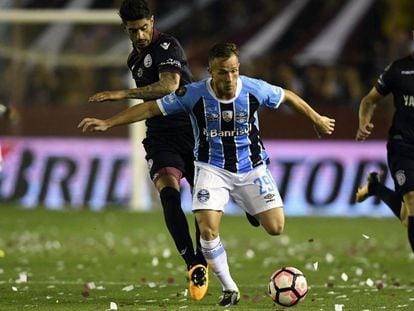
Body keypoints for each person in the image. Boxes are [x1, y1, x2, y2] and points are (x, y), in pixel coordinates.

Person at [79, 42, 335, 306]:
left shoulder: (254, 89)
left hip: (252, 168)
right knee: (207, 230)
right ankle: (229, 288)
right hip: (211, 169)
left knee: (276, 227)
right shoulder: (193, 94)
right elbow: (150, 108)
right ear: (211, 71)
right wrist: (108, 122)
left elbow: (288, 96)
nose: (230, 78)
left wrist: (316, 119)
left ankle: (247, 204)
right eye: (223, 72)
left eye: (234, 70)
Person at [88, 0, 208, 300]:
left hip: (192, 131)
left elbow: (169, 87)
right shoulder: (133, 59)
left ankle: (203, 260)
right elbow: (152, 108)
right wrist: (108, 123)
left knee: (202, 203)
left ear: (152, 22)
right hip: (160, 135)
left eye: (144, 28)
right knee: (168, 193)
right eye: (133, 30)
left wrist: (121, 93)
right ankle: (193, 263)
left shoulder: (168, 46)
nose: (140, 35)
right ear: (124, 29)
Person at [355, 31, 414, 250]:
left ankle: (375, 188)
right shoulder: (398, 70)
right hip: (403, 146)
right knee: (412, 199)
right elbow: (369, 101)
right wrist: (363, 123)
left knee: (409, 219)